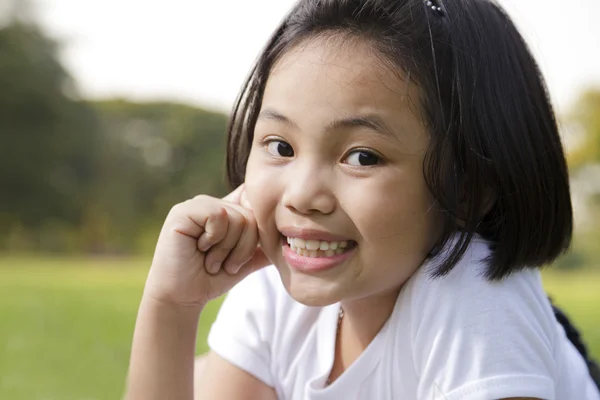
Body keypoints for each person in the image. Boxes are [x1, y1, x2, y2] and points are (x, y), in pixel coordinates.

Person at [125, 0, 600, 398]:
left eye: (363, 156)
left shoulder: (475, 301)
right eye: (280, 146)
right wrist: (172, 305)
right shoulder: (273, 291)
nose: (303, 195)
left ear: (471, 188)